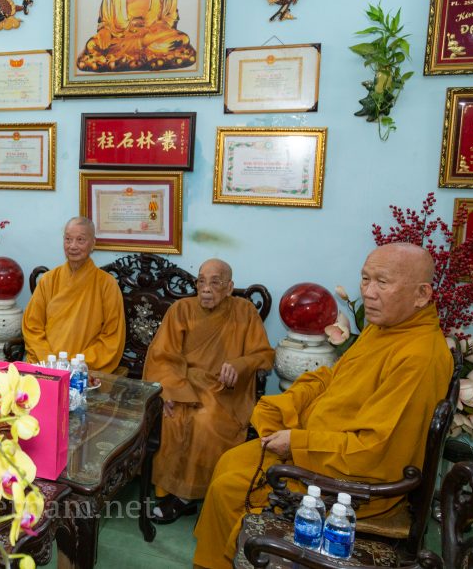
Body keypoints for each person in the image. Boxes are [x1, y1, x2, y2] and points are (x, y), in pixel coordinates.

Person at [192, 243, 454, 568]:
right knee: (230, 460)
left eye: (382, 283)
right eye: (365, 279)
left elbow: (374, 452)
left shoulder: (419, 357)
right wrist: (288, 402)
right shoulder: (384, 328)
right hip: (322, 450)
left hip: (353, 481)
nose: (368, 292)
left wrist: (297, 442)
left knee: (230, 488)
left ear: (422, 294)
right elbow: (332, 377)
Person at [143, 258, 273, 524]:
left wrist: (239, 364)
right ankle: (169, 490)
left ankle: (186, 496)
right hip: (183, 383)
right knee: (173, 416)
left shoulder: (245, 312)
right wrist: (167, 390)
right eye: (201, 281)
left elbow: (264, 356)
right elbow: (162, 355)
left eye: (215, 282)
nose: (206, 289)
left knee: (205, 421)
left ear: (229, 287)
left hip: (224, 390)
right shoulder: (181, 309)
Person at [21, 217, 125, 373]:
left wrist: (77, 365)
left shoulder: (107, 284)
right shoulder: (48, 280)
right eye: (68, 239)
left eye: (80, 240)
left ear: (93, 243)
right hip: (46, 365)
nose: (73, 246)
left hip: (83, 369)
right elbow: (32, 326)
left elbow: (112, 337)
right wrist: (50, 362)